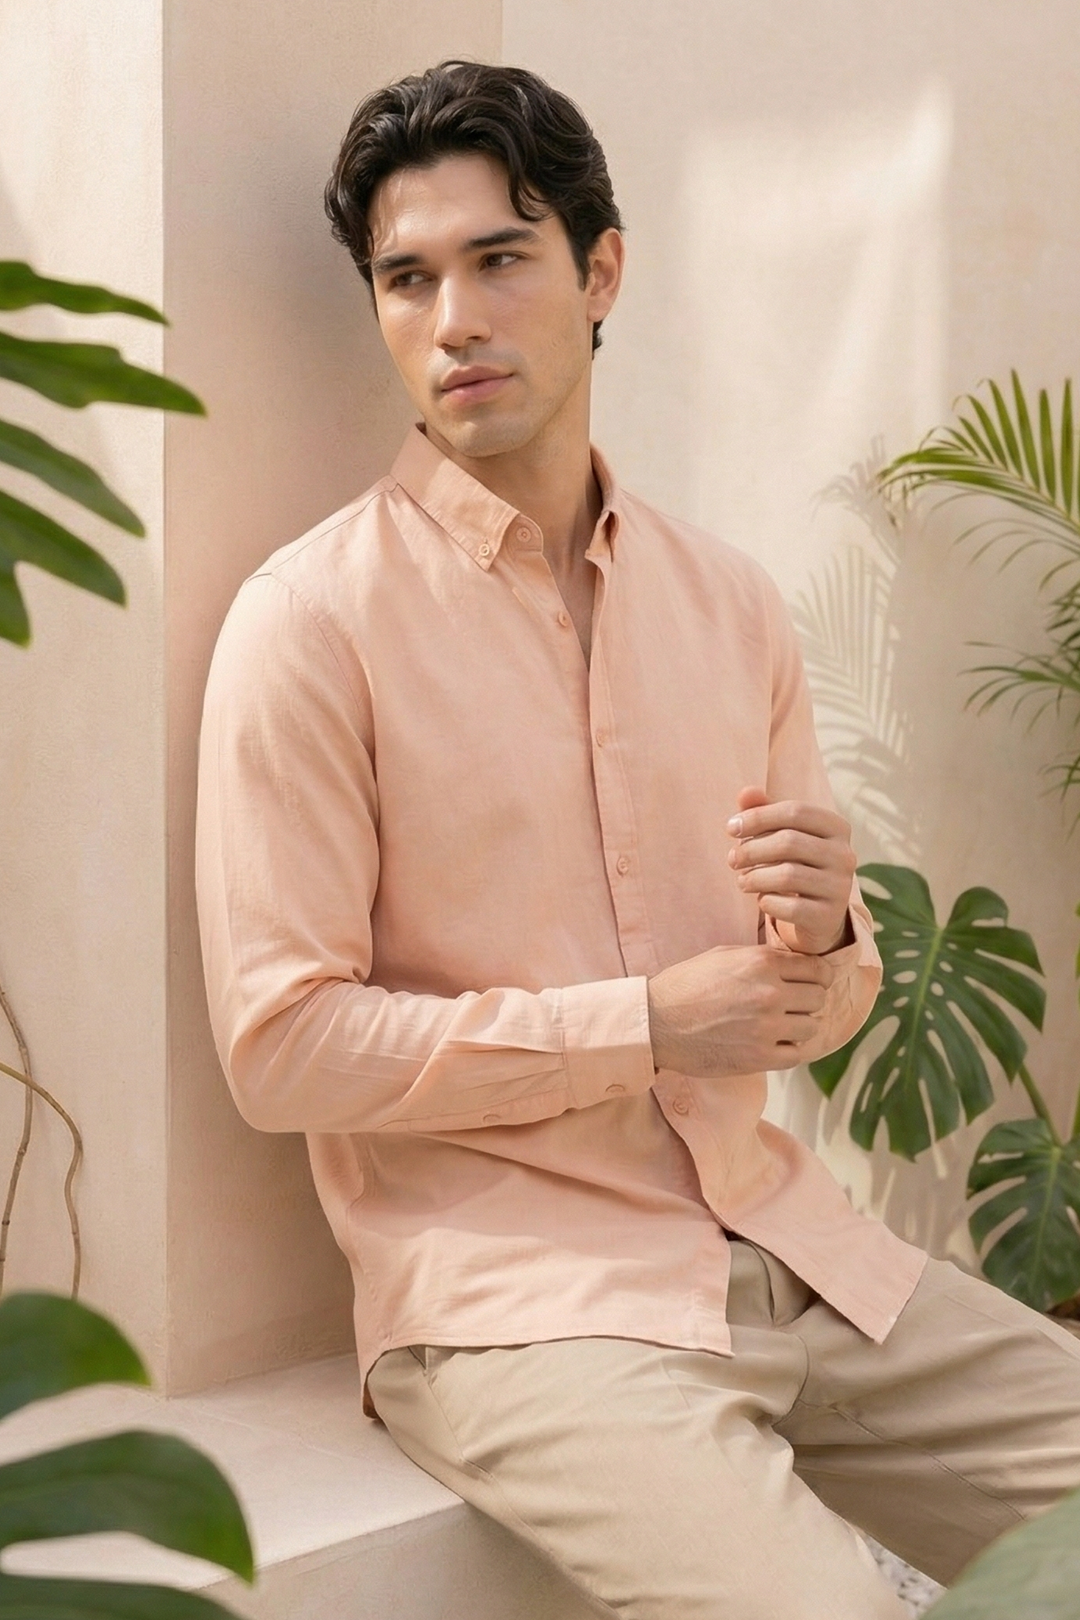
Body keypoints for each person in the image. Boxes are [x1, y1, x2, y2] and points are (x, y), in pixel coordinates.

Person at [195, 59, 1080, 1620]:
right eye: (408, 278)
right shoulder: (309, 622)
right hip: (523, 1311)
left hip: (794, 1249)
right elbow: (283, 1048)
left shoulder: (729, 603)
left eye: (500, 258)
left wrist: (830, 946)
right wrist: (649, 1025)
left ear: (600, 271)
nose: (453, 319)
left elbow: (820, 1004)